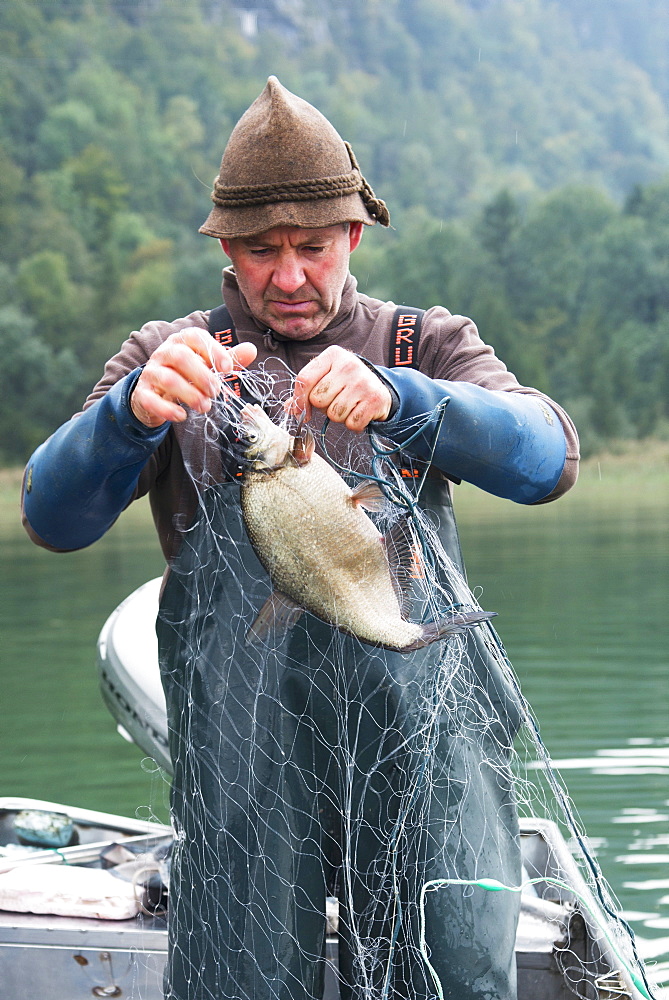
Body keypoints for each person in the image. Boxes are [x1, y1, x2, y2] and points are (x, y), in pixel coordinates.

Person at [22, 78, 579, 1000]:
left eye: (312, 248)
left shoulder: (421, 345)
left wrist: (412, 402)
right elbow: (52, 517)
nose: (288, 277)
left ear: (353, 237)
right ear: (225, 252)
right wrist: (127, 415)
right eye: (259, 251)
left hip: (422, 760)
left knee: (448, 974)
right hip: (243, 778)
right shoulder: (170, 358)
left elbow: (547, 460)